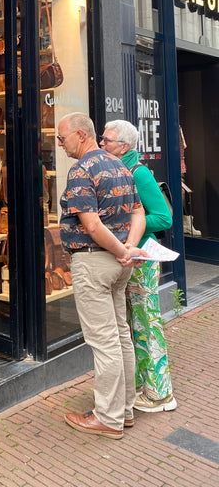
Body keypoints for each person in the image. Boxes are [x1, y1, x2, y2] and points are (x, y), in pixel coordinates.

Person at [57, 112, 146, 439]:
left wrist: (123, 251)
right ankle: (124, 411)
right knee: (120, 335)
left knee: (105, 341)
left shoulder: (82, 170)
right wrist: (129, 247)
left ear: (81, 135)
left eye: (62, 138)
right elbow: (138, 211)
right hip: (119, 265)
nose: (60, 144)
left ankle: (108, 418)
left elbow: (91, 225)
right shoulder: (120, 165)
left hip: (94, 262)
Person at [101, 120, 177, 413]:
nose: (102, 143)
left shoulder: (139, 173)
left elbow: (164, 217)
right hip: (126, 259)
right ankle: (139, 386)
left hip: (142, 261)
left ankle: (160, 395)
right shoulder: (115, 170)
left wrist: (132, 224)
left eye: (107, 140)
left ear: (123, 147)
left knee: (146, 324)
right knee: (132, 326)